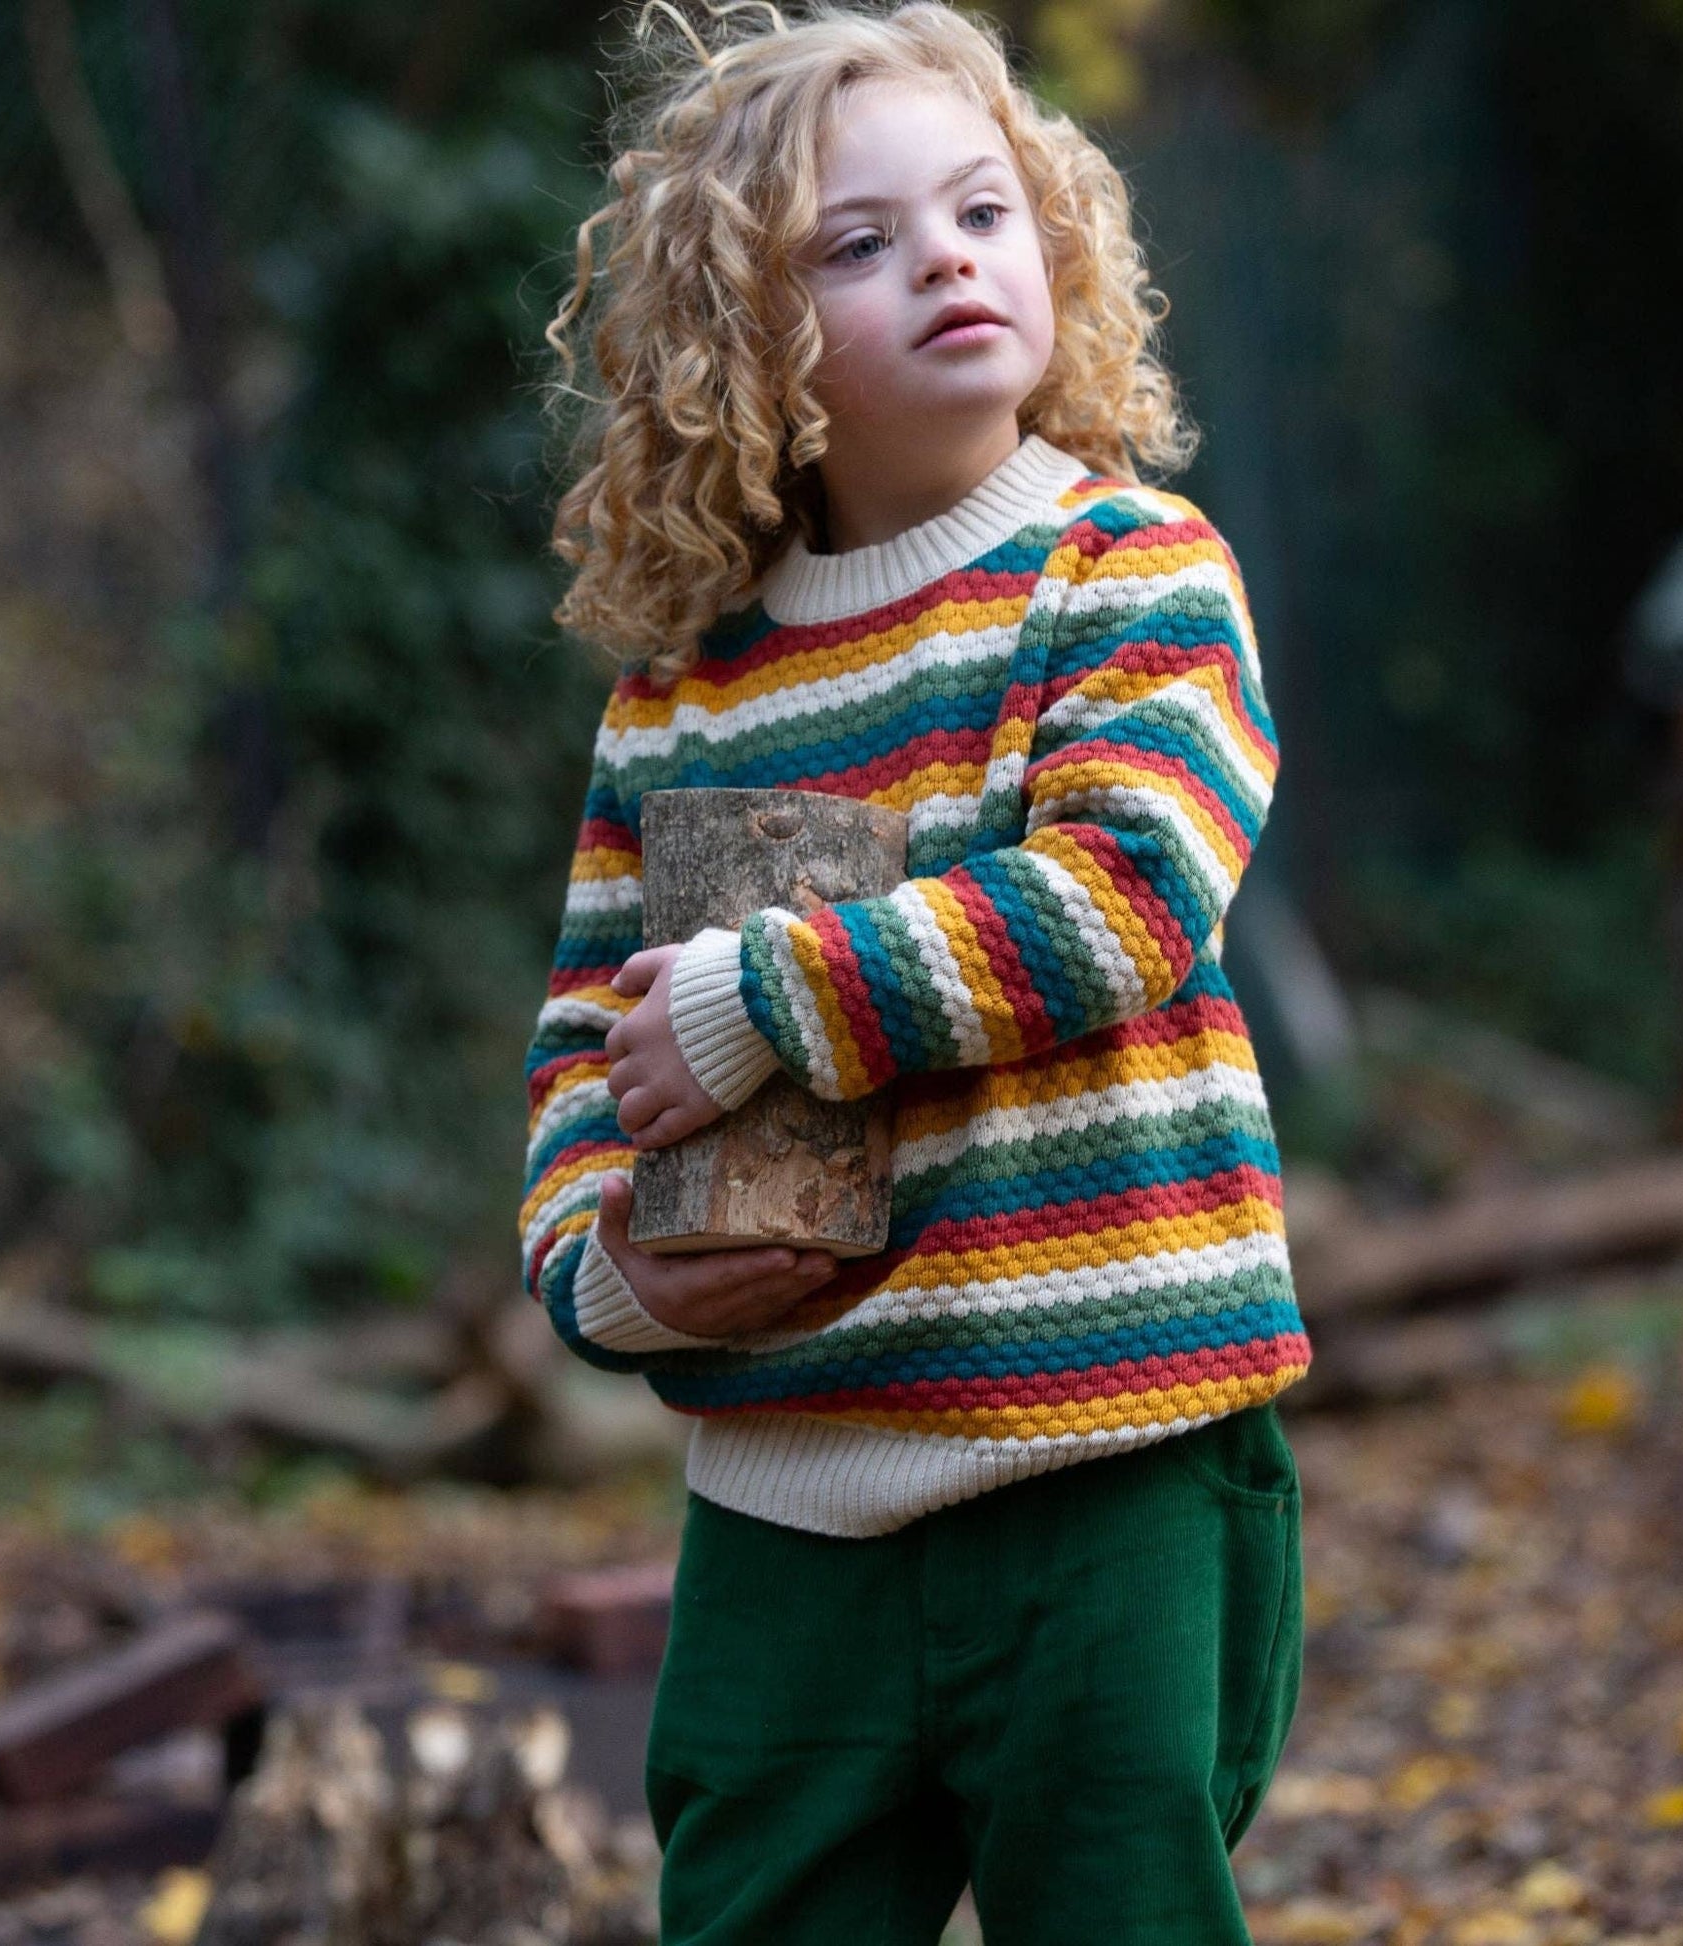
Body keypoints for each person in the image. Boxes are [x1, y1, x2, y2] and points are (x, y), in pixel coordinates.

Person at [520, 3, 1312, 1938]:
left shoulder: (1125, 571)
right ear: (741, 342)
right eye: (853, 245)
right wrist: (607, 1275)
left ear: (1052, 243)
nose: (945, 256)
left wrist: (763, 1002)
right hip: (784, 1505)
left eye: (979, 210)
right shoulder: (686, 688)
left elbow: (1127, 896)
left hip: (1106, 1452)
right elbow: (577, 1049)